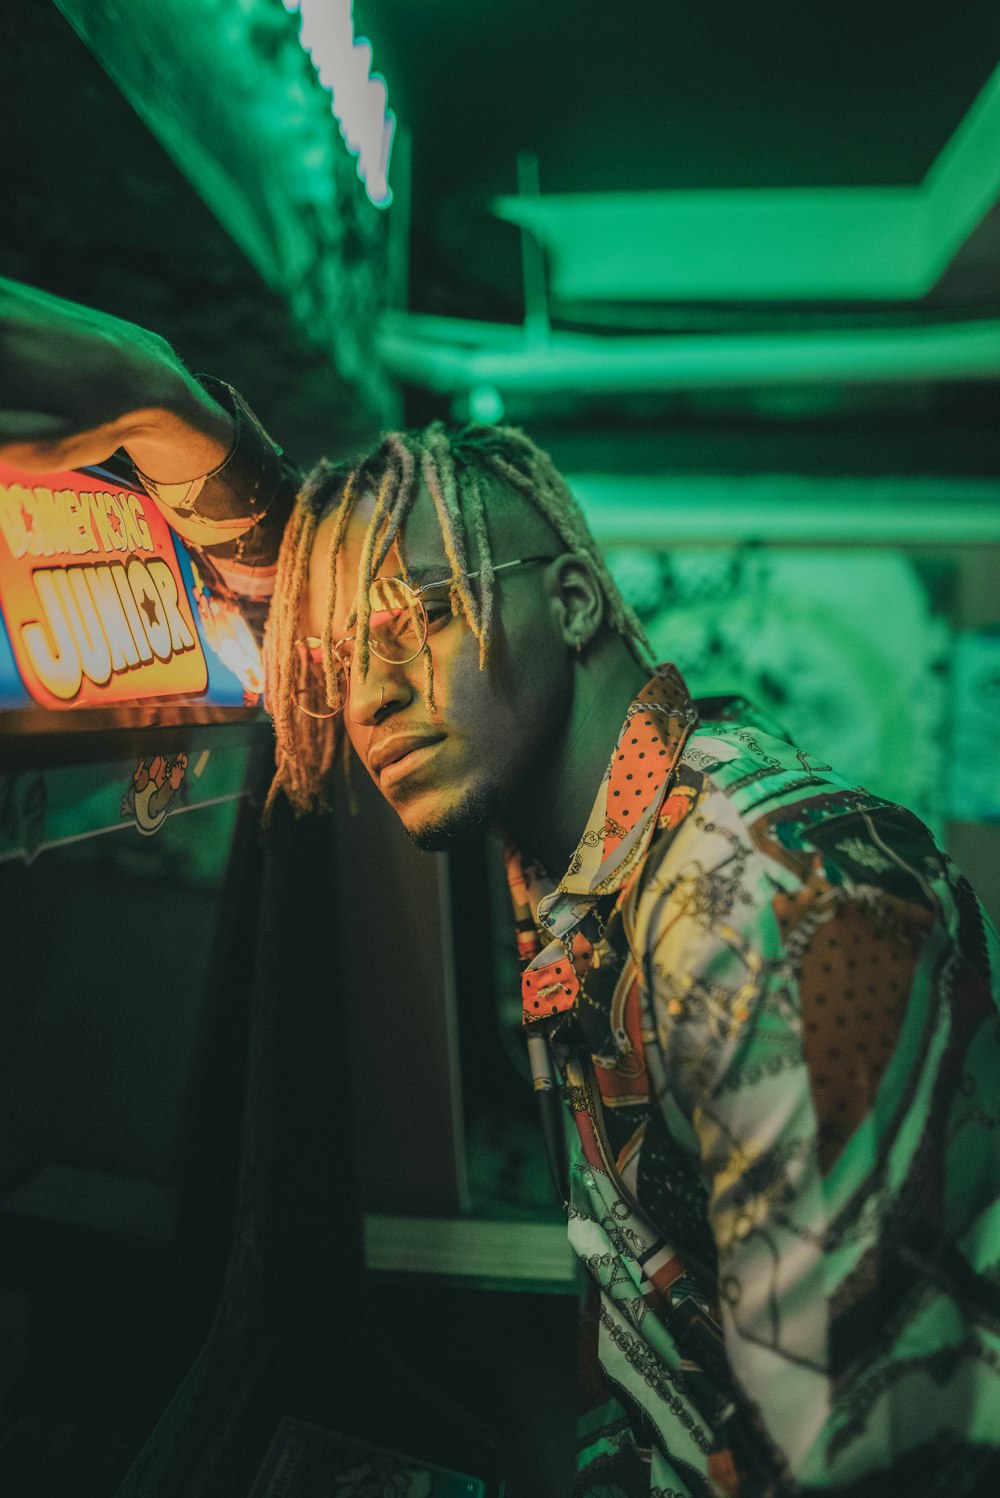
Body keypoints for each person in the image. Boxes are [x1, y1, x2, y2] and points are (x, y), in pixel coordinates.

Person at [3, 278, 1000, 1496]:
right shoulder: (619, 821)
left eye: (420, 616)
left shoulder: (768, 918)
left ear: (571, 601)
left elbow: (875, 1468)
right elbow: (336, 581)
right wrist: (168, 409)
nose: (369, 692)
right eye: (345, 654)